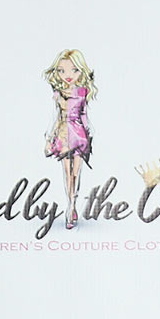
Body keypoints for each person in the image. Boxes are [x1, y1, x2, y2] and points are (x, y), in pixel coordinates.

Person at [43, 48, 96, 230]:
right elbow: (55, 117)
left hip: (78, 134)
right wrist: (49, 138)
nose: (68, 75)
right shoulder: (58, 93)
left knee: (75, 173)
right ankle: (70, 206)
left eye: (74, 70)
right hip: (63, 134)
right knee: (67, 173)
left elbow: (84, 115)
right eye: (62, 70)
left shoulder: (82, 92)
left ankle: (73, 204)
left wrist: (89, 132)